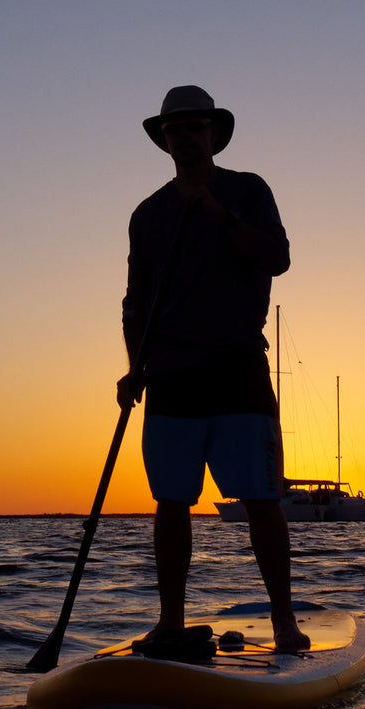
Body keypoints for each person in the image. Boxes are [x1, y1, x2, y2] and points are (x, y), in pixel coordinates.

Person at [118, 85, 307, 653]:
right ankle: (170, 623)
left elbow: (278, 258)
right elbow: (135, 300)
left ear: (212, 134)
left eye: (195, 127)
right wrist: (135, 367)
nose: (186, 138)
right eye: (175, 130)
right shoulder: (148, 215)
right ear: (165, 140)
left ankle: (284, 623)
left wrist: (218, 215)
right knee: (171, 500)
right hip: (172, 373)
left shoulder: (248, 191)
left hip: (238, 367)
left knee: (260, 497)